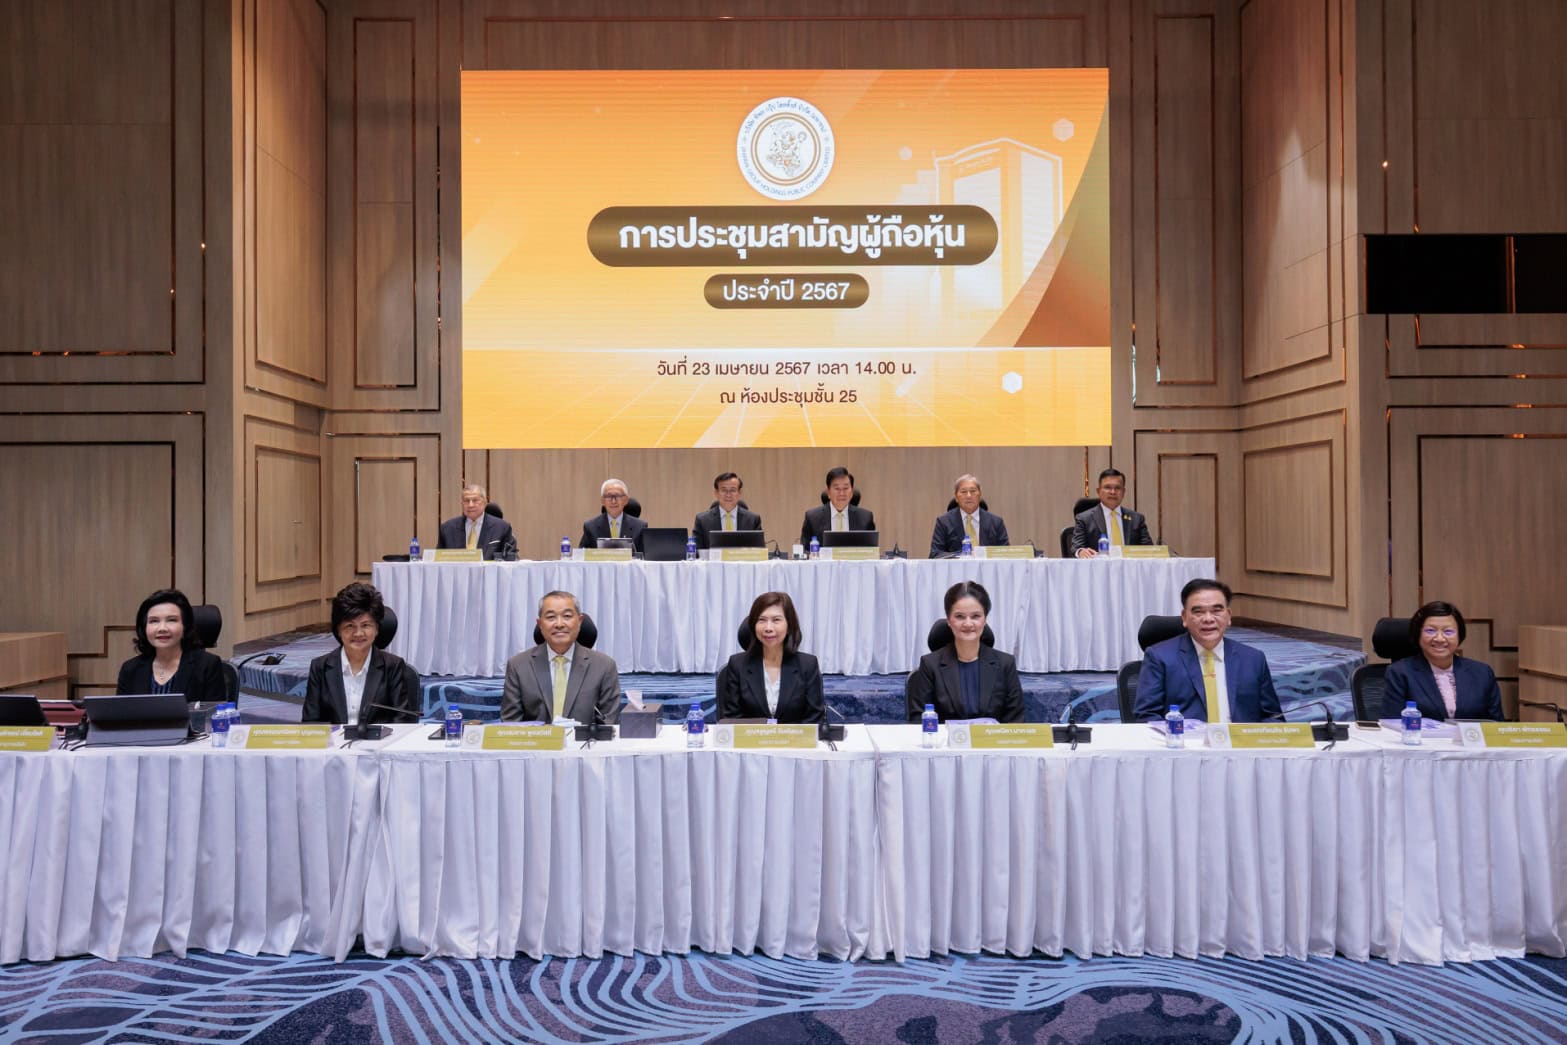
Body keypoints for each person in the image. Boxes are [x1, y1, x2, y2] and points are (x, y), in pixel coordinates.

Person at [1134, 578, 1281, 722]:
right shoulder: (1160, 657)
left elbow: (1273, 717)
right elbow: (1146, 716)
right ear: (1184, 617)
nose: (1208, 619)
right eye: (1198, 612)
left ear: (1229, 616)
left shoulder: (1253, 659)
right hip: (1184, 737)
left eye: (1216, 611)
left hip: (1239, 738)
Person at [904, 581, 1024, 723]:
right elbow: (919, 721)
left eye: (975, 616)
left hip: (992, 738)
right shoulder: (930, 665)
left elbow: (1015, 722)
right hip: (945, 738)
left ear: (985, 619)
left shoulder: (1005, 664)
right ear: (949, 620)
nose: (968, 623)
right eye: (959, 616)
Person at [302, 582, 419, 725]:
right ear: (338, 630)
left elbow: (402, 721)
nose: (358, 633)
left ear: (377, 629)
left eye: (365, 625)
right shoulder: (320, 667)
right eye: (350, 626)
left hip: (380, 739)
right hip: (334, 740)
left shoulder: (393, 666)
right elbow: (311, 724)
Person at [501, 591, 621, 724]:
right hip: (536, 738)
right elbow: (510, 725)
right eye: (551, 617)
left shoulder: (604, 666)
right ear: (540, 624)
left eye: (567, 616)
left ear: (579, 621)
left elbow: (608, 724)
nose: (559, 624)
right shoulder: (518, 666)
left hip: (584, 738)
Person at [1382, 601, 1504, 721]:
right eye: (1430, 631)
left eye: (1448, 631)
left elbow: (1497, 726)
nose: (1440, 639)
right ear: (1418, 634)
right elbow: (1393, 724)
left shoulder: (1482, 673)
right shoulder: (1400, 673)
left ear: (1459, 636)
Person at [717, 591, 824, 723]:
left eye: (776, 620)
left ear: (789, 625)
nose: (768, 628)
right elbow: (732, 719)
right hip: (751, 736)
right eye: (761, 620)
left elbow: (814, 719)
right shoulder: (737, 664)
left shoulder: (808, 665)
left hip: (795, 737)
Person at [116, 589, 226, 703]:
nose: (162, 628)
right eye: (154, 621)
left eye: (171, 620)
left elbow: (214, 712)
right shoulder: (130, 669)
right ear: (144, 627)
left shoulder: (208, 666)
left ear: (185, 626)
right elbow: (120, 712)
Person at [1072, 468, 1152, 556]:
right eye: (1107, 487)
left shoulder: (1137, 519)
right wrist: (1081, 552)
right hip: (1099, 564)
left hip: (1130, 564)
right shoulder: (1084, 519)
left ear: (1123, 492)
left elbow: (1149, 550)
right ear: (1098, 491)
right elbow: (1077, 547)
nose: (1113, 492)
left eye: (1117, 488)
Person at [929, 474, 1009, 557]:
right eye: (963, 492)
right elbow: (935, 554)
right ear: (956, 497)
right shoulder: (944, 522)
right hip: (957, 565)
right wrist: (961, 557)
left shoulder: (996, 522)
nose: (969, 496)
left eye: (973, 491)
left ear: (980, 495)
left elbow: (1006, 553)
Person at [800, 466, 876, 545]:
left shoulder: (865, 518)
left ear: (852, 492)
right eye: (837, 489)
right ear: (828, 492)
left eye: (845, 488)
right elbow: (804, 550)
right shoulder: (812, 518)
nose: (842, 493)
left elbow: (873, 550)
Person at [437, 482, 515, 560]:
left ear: (485, 503)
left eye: (475, 500)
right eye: (466, 501)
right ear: (462, 504)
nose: (470, 505)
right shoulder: (447, 529)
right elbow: (438, 560)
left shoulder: (502, 528)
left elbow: (510, 559)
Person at [691, 472, 762, 549]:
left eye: (733, 490)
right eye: (724, 490)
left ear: (740, 493)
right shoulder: (702, 520)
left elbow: (760, 551)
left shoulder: (753, 520)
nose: (728, 495)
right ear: (716, 493)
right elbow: (696, 552)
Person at [580, 478, 648, 552]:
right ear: (602, 501)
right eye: (609, 496)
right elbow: (581, 555)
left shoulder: (640, 527)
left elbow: (645, 556)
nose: (613, 501)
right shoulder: (590, 527)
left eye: (618, 496)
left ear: (625, 500)